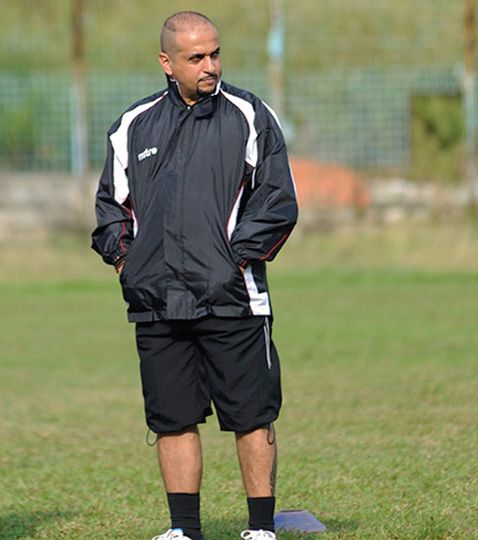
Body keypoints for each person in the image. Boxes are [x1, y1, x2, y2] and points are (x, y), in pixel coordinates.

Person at [91, 11, 298, 540]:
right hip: (158, 302)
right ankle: (184, 530)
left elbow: (277, 203)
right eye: (196, 57)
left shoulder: (249, 115)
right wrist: (128, 265)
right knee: (172, 417)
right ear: (167, 62)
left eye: (215, 53)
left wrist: (234, 263)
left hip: (233, 299)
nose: (211, 66)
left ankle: (260, 529)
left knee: (251, 415)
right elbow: (111, 210)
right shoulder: (131, 125)